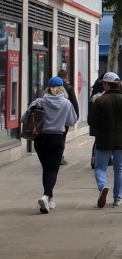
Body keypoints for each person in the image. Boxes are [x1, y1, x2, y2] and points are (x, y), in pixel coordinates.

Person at [23, 77, 78, 213]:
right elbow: (72, 120)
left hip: (40, 139)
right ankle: (46, 196)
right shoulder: (66, 103)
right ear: (61, 89)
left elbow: (23, 118)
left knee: (46, 169)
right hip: (57, 139)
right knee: (53, 170)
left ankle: (49, 200)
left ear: (47, 88)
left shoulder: (39, 102)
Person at [88, 72, 122, 208]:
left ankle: (103, 185)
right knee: (119, 168)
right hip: (121, 140)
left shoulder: (99, 101)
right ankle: (118, 198)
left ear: (106, 84)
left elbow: (92, 121)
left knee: (100, 167)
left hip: (103, 139)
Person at [56, 69, 79, 166]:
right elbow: (74, 103)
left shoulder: (51, 87)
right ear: (66, 77)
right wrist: (75, 116)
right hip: (65, 117)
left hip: (53, 117)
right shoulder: (68, 88)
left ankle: (56, 155)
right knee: (62, 137)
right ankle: (59, 156)